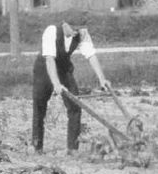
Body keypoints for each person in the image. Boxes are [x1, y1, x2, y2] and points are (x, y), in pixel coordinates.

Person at [32, 20, 112, 153]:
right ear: (65, 24)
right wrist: (56, 84)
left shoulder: (82, 33)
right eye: (73, 29)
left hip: (63, 68)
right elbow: (50, 60)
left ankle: (72, 148)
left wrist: (102, 79)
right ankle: (37, 146)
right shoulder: (51, 31)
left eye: (79, 29)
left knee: (75, 106)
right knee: (40, 105)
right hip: (44, 68)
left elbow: (91, 55)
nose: (76, 32)